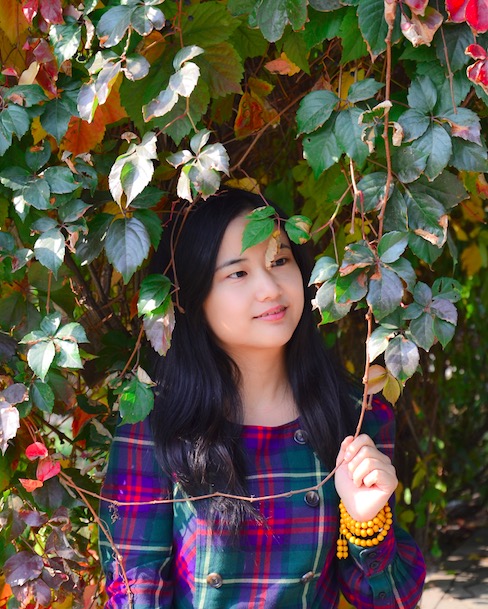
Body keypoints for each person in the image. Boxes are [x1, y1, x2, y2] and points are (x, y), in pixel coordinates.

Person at [99, 188, 426, 609]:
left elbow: (392, 600)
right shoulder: (155, 423)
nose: (270, 288)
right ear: (191, 296)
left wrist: (366, 523)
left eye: (279, 261)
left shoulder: (356, 415)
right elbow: (135, 590)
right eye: (238, 273)